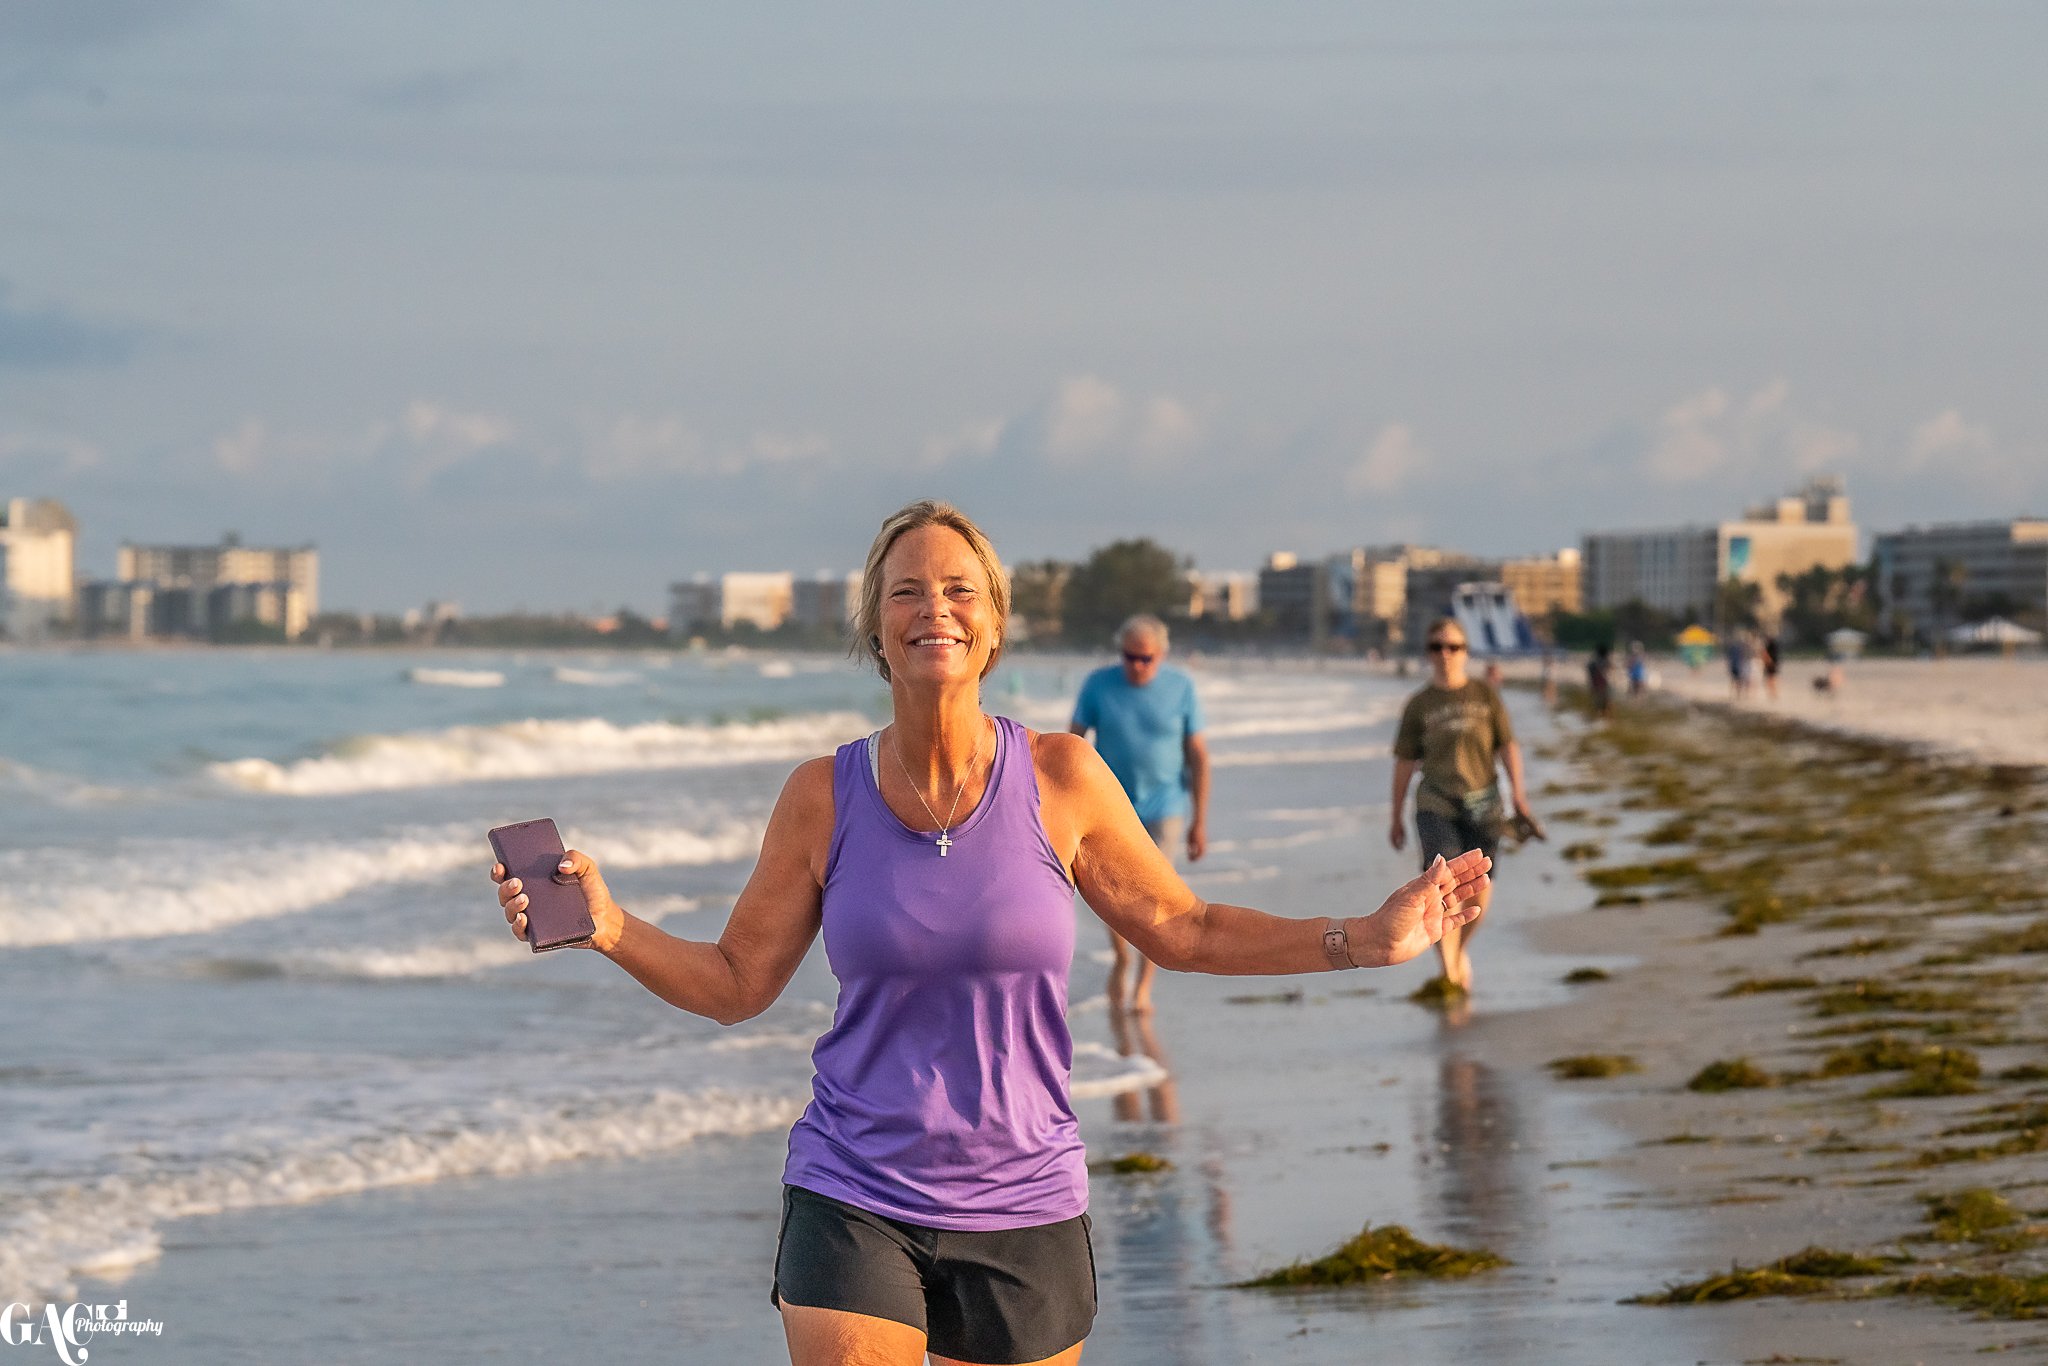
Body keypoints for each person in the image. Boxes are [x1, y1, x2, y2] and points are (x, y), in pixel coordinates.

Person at [492, 500, 1491, 1366]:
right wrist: (611, 926)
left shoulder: (1059, 780)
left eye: (959, 589)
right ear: (873, 632)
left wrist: (1360, 935)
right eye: (906, 592)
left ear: (995, 625)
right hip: (853, 1187)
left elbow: (1180, 927)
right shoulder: (820, 796)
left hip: (1023, 1199)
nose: (934, 608)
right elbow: (737, 980)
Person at [1069, 614, 1209, 1012]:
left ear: (1161, 655)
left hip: (1166, 807)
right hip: (1110, 805)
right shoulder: (1098, 684)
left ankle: (1143, 987)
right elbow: (1072, 743)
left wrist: (1199, 821)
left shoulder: (1181, 688)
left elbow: (1198, 755)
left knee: (1154, 897)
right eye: (1130, 657)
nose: (1136, 666)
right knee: (1110, 892)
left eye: (1146, 659)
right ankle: (1123, 954)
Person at [1389, 617, 1536, 992]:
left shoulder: (1485, 695)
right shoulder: (1419, 705)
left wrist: (1519, 796)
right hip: (1436, 805)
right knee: (1441, 887)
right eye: (1437, 647)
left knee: (1480, 889)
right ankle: (1449, 972)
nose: (1445, 654)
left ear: (1465, 652)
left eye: (1453, 646)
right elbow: (1405, 761)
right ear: (1428, 653)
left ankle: (1460, 951)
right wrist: (1395, 816)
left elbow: (1507, 746)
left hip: (1485, 804)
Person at [1586, 643, 1613, 718]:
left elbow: (1590, 674)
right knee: (1606, 705)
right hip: (1604, 685)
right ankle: (1605, 720)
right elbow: (1609, 673)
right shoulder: (1606, 661)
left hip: (1595, 686)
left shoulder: (1592, 663)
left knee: (1597, 705)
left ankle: (1597, 720)